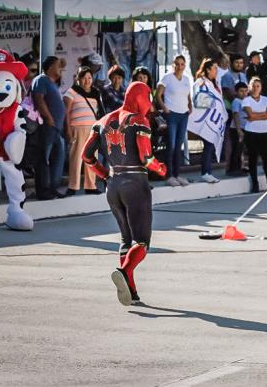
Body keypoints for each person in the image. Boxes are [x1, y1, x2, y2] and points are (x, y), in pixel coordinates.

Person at [82, 81, 167, 306]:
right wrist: (160, 168)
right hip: (135, 184)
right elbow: (146, 157)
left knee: (125, 239)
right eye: (147, 98)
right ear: (139, 97)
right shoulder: (139, 121)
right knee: (142, 241)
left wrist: (103, 175)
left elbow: (86, 156)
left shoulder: (101, 122)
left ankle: (131, 289)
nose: (149, 104)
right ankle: (124, 270)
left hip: (113, 185)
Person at [63, 67, 104, 196]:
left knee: (92, 158)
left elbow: (99, 112)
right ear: (78, 79)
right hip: (77, 128)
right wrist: (68, 130)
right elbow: (66, 112)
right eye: (84, 78)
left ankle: (90, 186)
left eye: (89, 78)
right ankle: (73, 186)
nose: (87, 81)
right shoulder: (72, 92)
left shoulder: (96, 93)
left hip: (93, 130)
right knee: (76, 158)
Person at [32, 56, 66, 200]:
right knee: (43, 159)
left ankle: (52, 188)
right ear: (50, 66)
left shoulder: (52, 83)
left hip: (56, 128)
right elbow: (38, 99)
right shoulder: (41, 80)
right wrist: (49, 117)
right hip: (47, 126)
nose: (61, 68)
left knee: (58, 158)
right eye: (58, 65)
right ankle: (42, 191)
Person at [156, 55, 193, 187]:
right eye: (177, 63)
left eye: (182, 64)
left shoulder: (187, 79)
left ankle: (177, 174)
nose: (179, 66)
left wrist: (190, 106)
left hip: (183, 115)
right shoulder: (167, 78)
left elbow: (188, 95)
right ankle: (169, 175)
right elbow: (158, 94)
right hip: (171, 115)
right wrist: (164, 108)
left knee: (179, 146)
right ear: (173, 65)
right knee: (170, 146)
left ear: (184, 65)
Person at [192, 58, 226, 183]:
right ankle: (205, 172)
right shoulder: (201, 81)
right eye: (215, 68)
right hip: (206, 119)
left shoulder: (215, 83)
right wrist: (214, 103)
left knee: (211, 145)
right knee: (208, 145)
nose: (217, 71)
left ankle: (208, 171)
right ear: (208, 69)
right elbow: (197, 99)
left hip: (215, 119)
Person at [242, 77, 267, 193]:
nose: (256, 88)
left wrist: (255, 116)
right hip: (251, 132)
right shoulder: (246, 100)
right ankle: (255, 184)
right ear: (250, 87)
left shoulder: (265, 99)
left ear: (261, 88)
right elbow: (250, 115)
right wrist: (262, 114)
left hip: (264, 132)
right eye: (253, 86)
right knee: (252, 159)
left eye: (258, 86)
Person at [226, 81, 249, 176]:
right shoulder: (236, 101)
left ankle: (240, 167)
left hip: (244, 128)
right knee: (236, 149)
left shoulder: (247, 100)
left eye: (245, 91)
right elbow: (235, 115)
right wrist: (238, 129)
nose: (243, 93)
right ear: (236, 92)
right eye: (241, 91)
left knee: (241, 149)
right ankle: (232, 169)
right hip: (236, 129)